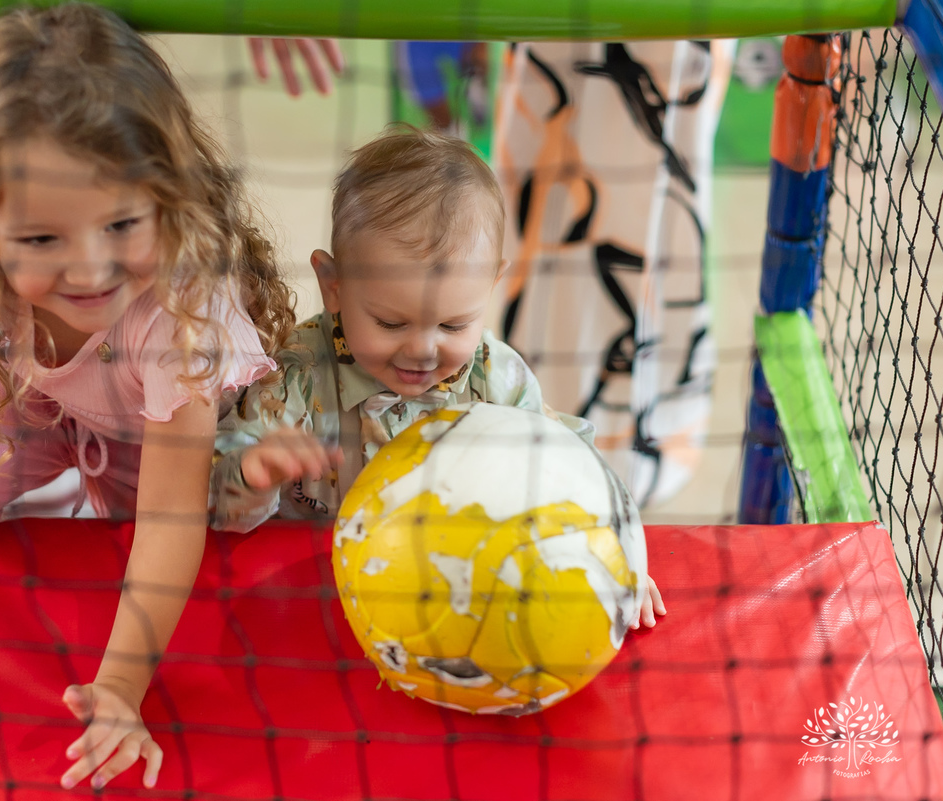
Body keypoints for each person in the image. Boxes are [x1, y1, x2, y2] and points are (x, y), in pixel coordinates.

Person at [0, 3, 293, 792]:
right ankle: (57, 458)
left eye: (122, 224)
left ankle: (97, 479)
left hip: (153, 436)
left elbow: (170, 521)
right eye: (41, 240)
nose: (90, 269)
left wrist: (119, 687)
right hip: (37, 405)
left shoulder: (178, 311)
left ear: (166, 199)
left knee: (192, 522)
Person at [211, 125, 664, 627]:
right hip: (308, 602)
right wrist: (253, 475)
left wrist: (616, 560)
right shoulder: (296, 377)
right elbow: (215, 509)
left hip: (451, 600)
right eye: (390, 322)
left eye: (453, 324)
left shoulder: (496, 379)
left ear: (492, 285)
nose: (423, 350)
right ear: (332, 286)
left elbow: (574, 475)